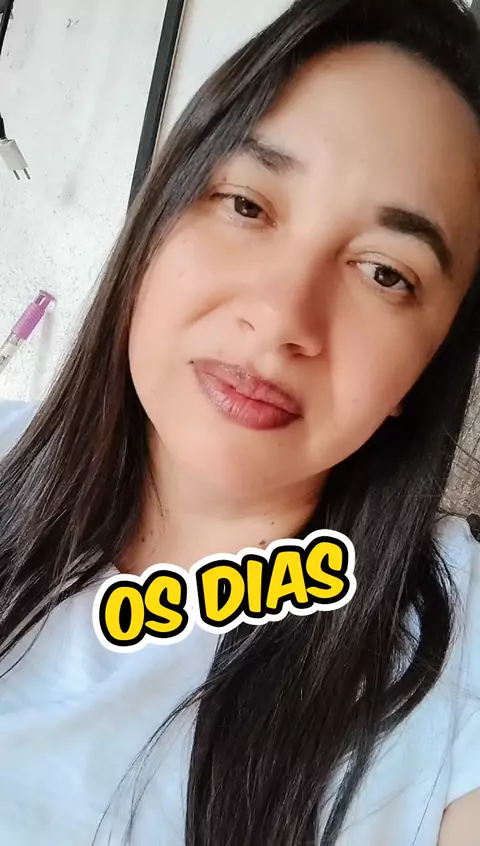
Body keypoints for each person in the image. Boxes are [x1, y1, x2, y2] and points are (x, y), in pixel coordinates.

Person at [0, 0, 480, 843]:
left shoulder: (456, 644)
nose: (283, 317)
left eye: (385, 272)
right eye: (247, 205)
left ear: (427, 367)